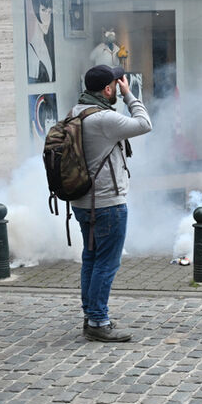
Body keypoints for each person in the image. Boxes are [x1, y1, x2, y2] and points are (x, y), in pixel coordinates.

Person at [71, 64, 152, 342]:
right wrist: (130, 94)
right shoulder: (104, 118)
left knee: (91, 259)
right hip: (107, 202)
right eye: (117, 83)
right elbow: (144, 124)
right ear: (108, 89)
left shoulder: (76, 111)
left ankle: (90, 314)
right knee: (106, 262)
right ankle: (98, 320)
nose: (119, 86)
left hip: (82, 201)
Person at [26, 0, 55, 83]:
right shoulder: (30, 53)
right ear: (34, 12)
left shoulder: (48, 48)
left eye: (49, 12)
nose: (47, 19)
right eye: (43, 10)